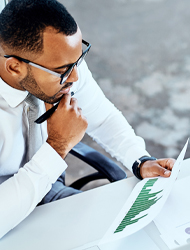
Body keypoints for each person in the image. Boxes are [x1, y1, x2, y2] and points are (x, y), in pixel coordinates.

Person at [0, 0, 175, 239]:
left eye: (77, 60)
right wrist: (58, 146)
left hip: (48, 189)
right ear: (14, 68)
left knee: (138, 236)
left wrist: (140, 160)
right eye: (63, 70)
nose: (76, 76)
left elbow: (102, 117)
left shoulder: (60, 65)